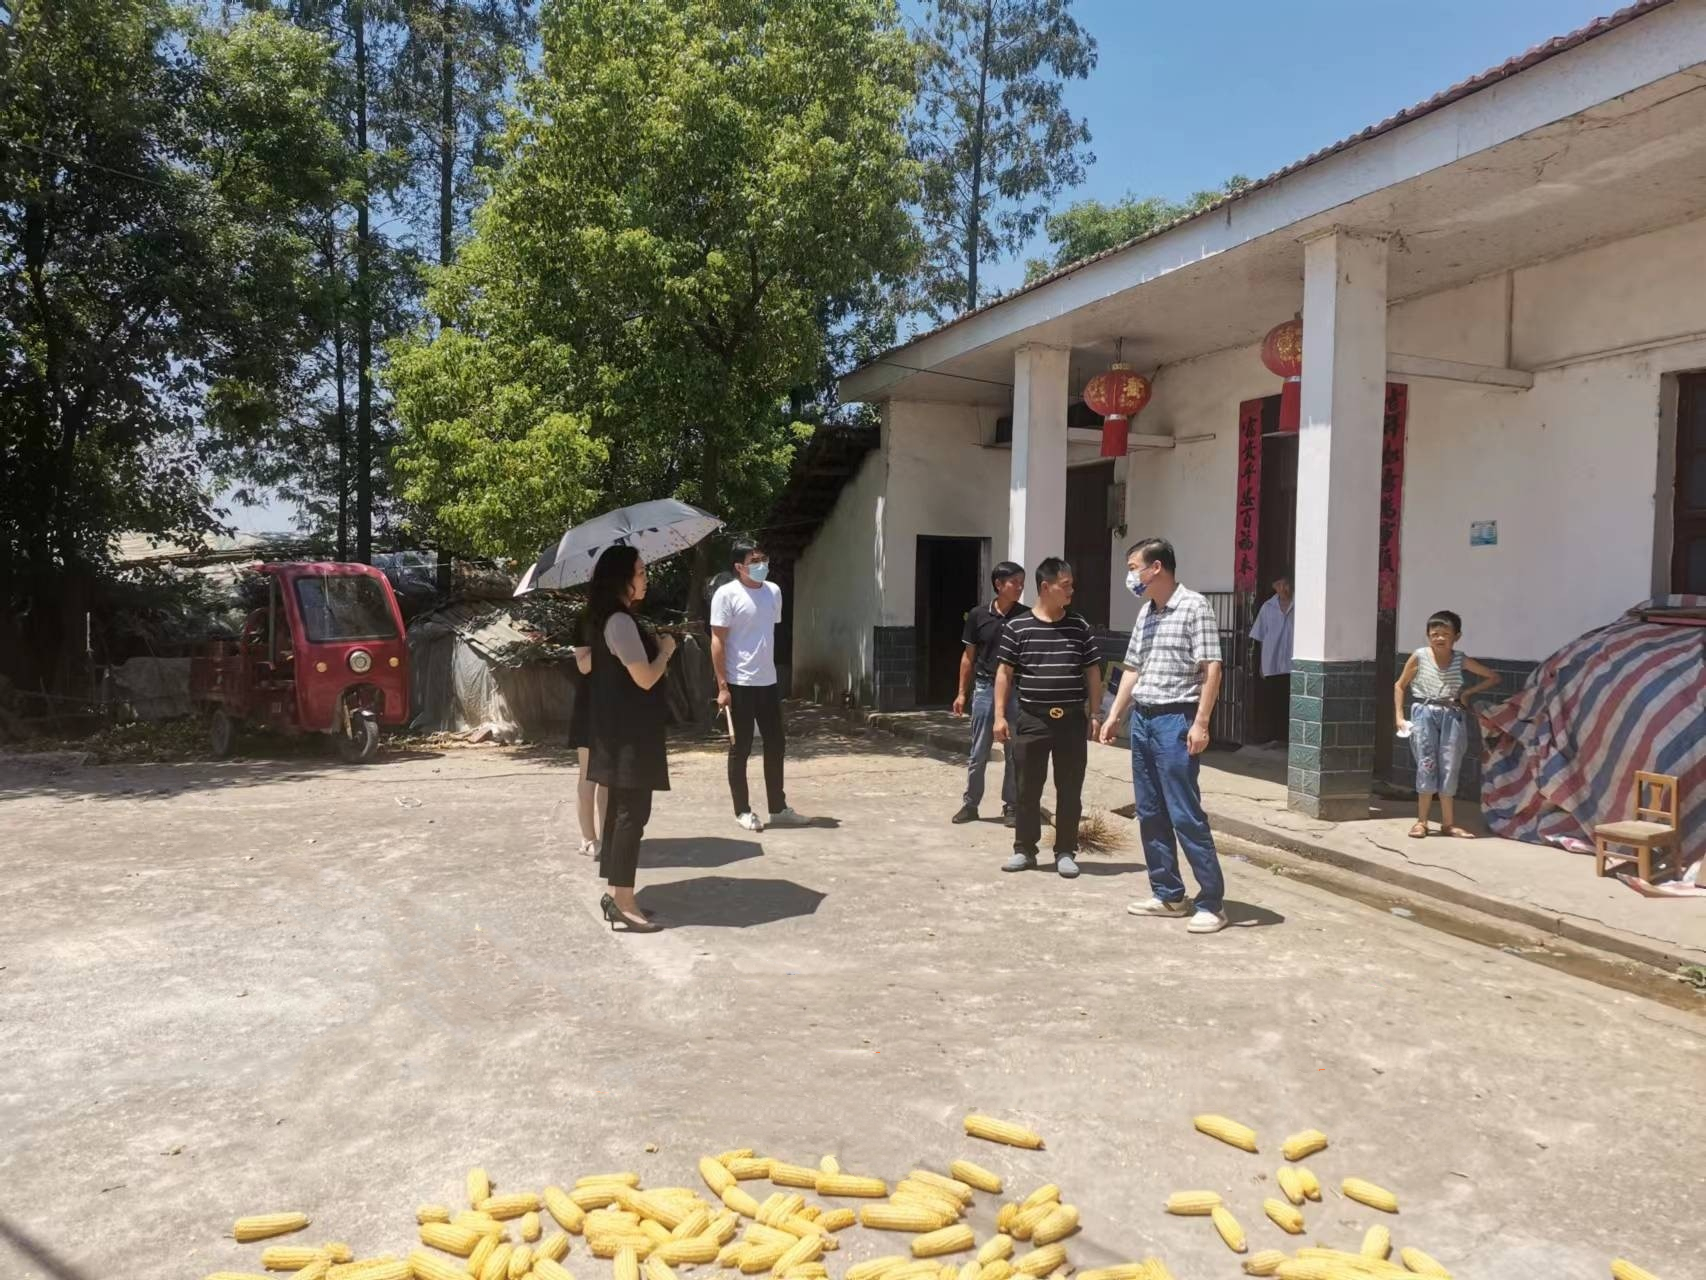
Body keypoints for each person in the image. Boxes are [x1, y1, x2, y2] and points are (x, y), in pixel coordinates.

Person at [1102, 538, 1230, 934]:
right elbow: (1133, 668)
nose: (1131, 576)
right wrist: (1115, 715)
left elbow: (1211, 667)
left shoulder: (1194, 606)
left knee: (1183, 812)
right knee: (1150, 810)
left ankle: (1211, 902)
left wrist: (1201, 723)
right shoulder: (1147, 612)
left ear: (1156, 567)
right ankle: (1169, 894)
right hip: (1143, 720)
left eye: (1133, 567)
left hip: (1176, 720)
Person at [586, 545, 678, 933]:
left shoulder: (619, 620)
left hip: (623, 732)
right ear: (621, 579)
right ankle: (623, 901)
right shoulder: (620, 622)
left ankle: (618, 893)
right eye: (640, 572)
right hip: (628, 737)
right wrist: (666, 652)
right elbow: (644, 678)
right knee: (630, 816)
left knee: (623, 815)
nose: (645, 578)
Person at [993, 558, 1104, 878]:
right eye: (1065, 585)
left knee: (1069, 789)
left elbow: (1092, 671)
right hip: (1032, 719)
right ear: (1046, 587)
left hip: (1071, 721)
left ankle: (1066, 850)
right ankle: (1025, 850)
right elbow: (1004, 673)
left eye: (1072, 585)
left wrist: (1095, 713)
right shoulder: (1018, 627)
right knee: (1026, 788)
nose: (1071, 590)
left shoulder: (1079, 626)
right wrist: (999, 716)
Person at [711, 539, 804, 832]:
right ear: (739, 567)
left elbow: (765, 631)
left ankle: (778, 808)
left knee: (776, 744)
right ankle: (742, 811)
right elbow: (717, 641)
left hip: (768, 680)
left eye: (764, 559)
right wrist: (722, 686)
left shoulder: (773, 592)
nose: (762, 565)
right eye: (754, 561)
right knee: (741, 748)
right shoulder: (726, 595)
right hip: (738, 682)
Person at [1395, 609, 1498, 839]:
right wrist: (1399, 718)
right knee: (1426, 764)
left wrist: (1467, 693)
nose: (1439, 638)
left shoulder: (1460, 659)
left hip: (1452, 715)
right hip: (1423, 713)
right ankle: (1421, 822)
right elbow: (1399, 685)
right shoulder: (1419, 656)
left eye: (1445, 634)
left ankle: (1448, 824)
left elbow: (1493, 676)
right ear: (1428, 636)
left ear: (1457, 636)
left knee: (1450, 766)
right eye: (1434, 634)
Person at [950, 561, 1029, 826]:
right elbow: (968, 656)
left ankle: (1012, 806)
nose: (1019, 587)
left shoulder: (1026, 617)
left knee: (1014, 752)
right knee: (979, 752)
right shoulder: (978, 615)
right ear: (998, 584)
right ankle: (971, 804)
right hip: (985, 688)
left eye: (1022, 582)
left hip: (1015, 691)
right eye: (1014, 582)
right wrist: (962, 693)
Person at [570, 620, 607, 858]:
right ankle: (588, 837)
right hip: (590, 704)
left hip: (616, 703)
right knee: (588, 774)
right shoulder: (585, 621)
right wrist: (609, 643)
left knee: (609, 778)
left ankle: (607, 837)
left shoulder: (624, 619)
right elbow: (583, 665)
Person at [1248, 572, 1295, 747]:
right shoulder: (1268, 607)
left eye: (1286, 584)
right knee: (1273, 701)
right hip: (1272, 662)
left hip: (1293, 663)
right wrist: (1261, 664)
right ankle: (1275, 738)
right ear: (1274, 587)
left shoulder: (1300, 605)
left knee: (1290, 700)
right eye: (1279, 585)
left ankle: (1289, 738)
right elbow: (1259, 636)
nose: (1283, 588)